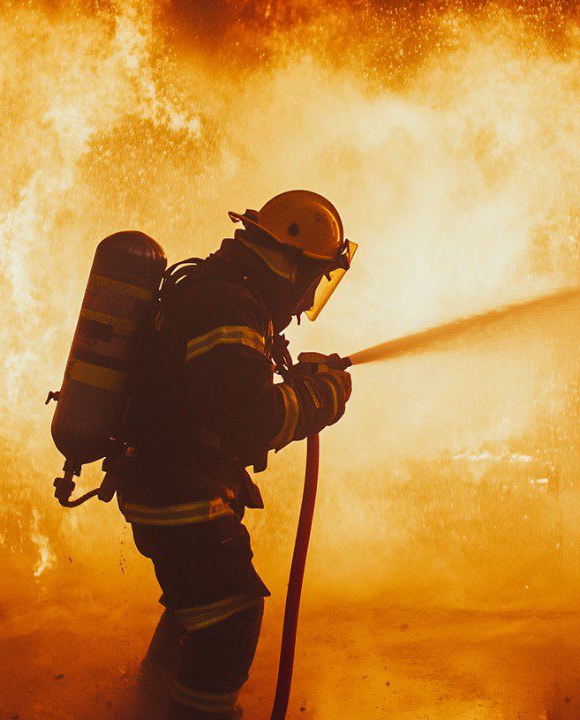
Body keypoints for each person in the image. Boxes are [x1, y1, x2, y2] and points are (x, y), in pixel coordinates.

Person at [108, 190, 357, 719]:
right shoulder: (230, 305)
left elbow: (224, 393)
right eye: (315, 277)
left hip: (165, 477)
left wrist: (307, 381)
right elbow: (249, 421)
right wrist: (323, 397)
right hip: (176, 486)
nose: (311, 293)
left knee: (196, 607)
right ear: (291, 264)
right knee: (230, 618)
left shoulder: (228, 293)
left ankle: (147, 700)